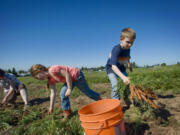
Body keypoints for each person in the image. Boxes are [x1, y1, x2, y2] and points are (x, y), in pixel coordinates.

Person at [31, 64, 101, 117]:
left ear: (39, 71)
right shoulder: (50, 80)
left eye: (37, 77)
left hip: (77, 76)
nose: (38, 79)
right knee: (63, 94)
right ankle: (68, 113)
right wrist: (51, 107)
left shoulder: (52, 70)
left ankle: (100, 100)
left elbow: (67, 75)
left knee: (88, 92)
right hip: (69, 81)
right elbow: (53, 93)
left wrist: (69, 88)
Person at [106, 27, 136, 103]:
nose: (130, 45)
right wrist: (123, 77)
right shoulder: (117, 49)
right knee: (116, 86)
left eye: (132, 43)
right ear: (121, 39)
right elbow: (113, 66)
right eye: (128, 42)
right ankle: (115, 102)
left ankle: (127, 99)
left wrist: (129, 65)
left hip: (122, 69)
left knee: (127, 85)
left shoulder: (128, 49)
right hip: (112, 70)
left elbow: (127, 57)